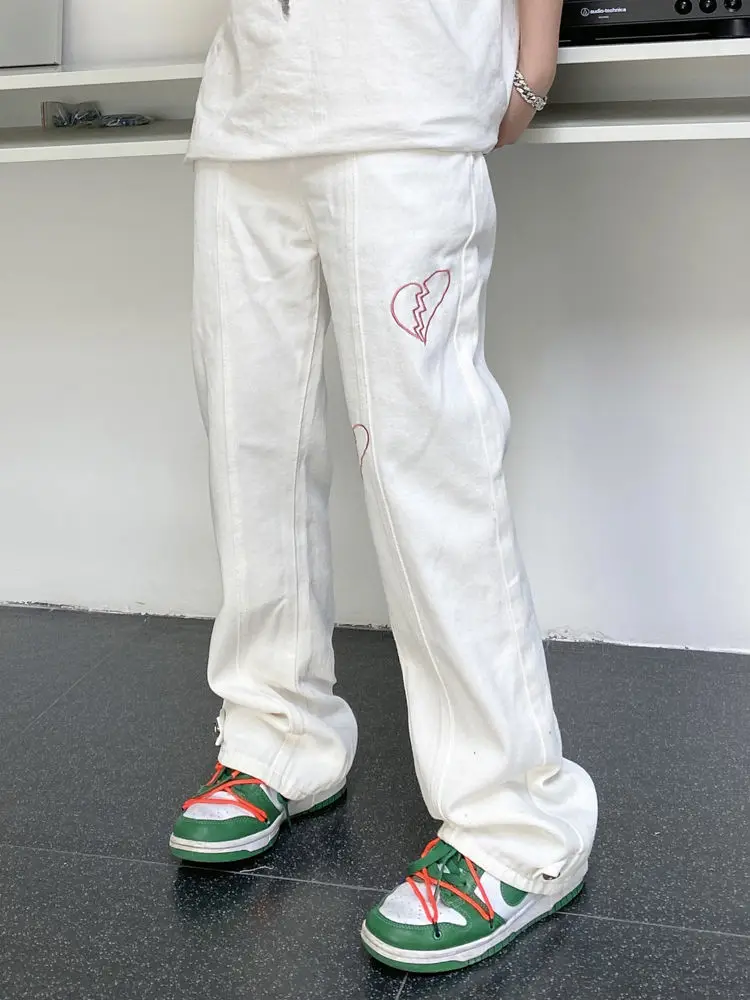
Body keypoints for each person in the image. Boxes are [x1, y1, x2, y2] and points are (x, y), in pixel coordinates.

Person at [170, 0, 598, 974]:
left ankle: (518, 820)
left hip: (406, 83)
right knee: (250, 439)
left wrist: (534, 57)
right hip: (249, 97)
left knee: (425, 456)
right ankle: (278, 731)